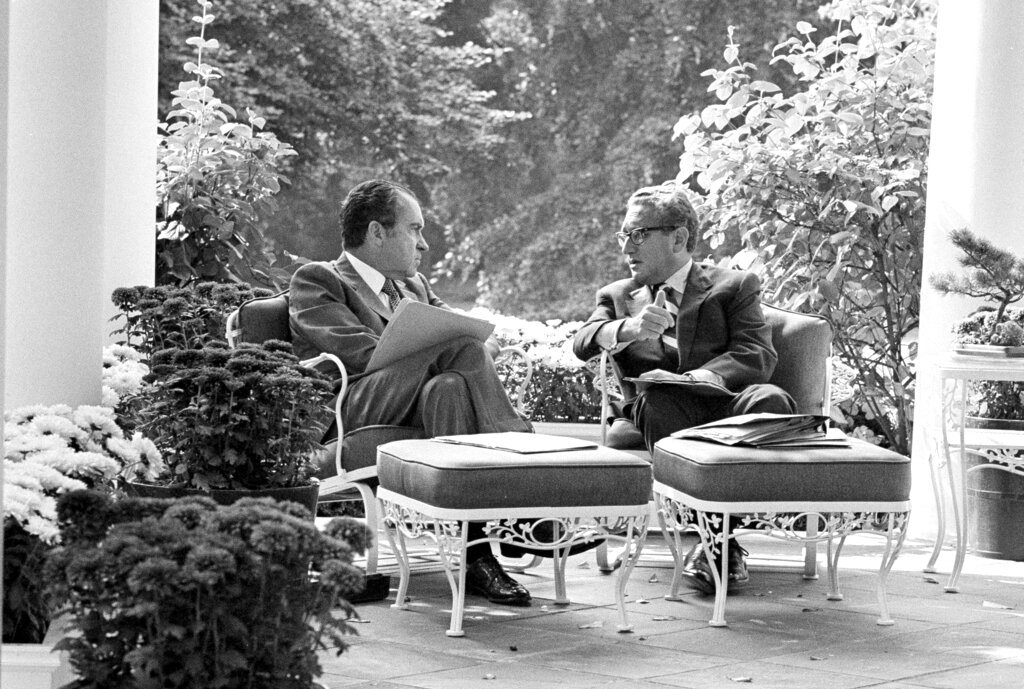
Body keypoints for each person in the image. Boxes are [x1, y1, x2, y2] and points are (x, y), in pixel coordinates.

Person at [289, 179, 533, 607]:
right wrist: (455, 344)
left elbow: (475, 340)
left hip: (417, 397)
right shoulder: (318, 279)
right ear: (376, 232)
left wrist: (461, 345)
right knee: (459, 351)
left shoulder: (414, 285)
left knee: (448, 388)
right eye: (414, 229)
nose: (423, 244)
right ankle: (528, 495)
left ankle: (476, 556)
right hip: (353, 406)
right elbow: (363, 355)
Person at [573, 183, 797, 594]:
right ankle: (721, 544)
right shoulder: (618, 295)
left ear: (678, 237)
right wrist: (628, 328)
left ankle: (715, 542)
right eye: (624, 235)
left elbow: (756, 353)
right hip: (661, 408)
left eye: (639, 234)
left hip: (725, 404)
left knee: (772, 399)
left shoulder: (734, 285)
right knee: (659, 399)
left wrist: (705, 377)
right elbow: (582, 341)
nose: (626, 246)